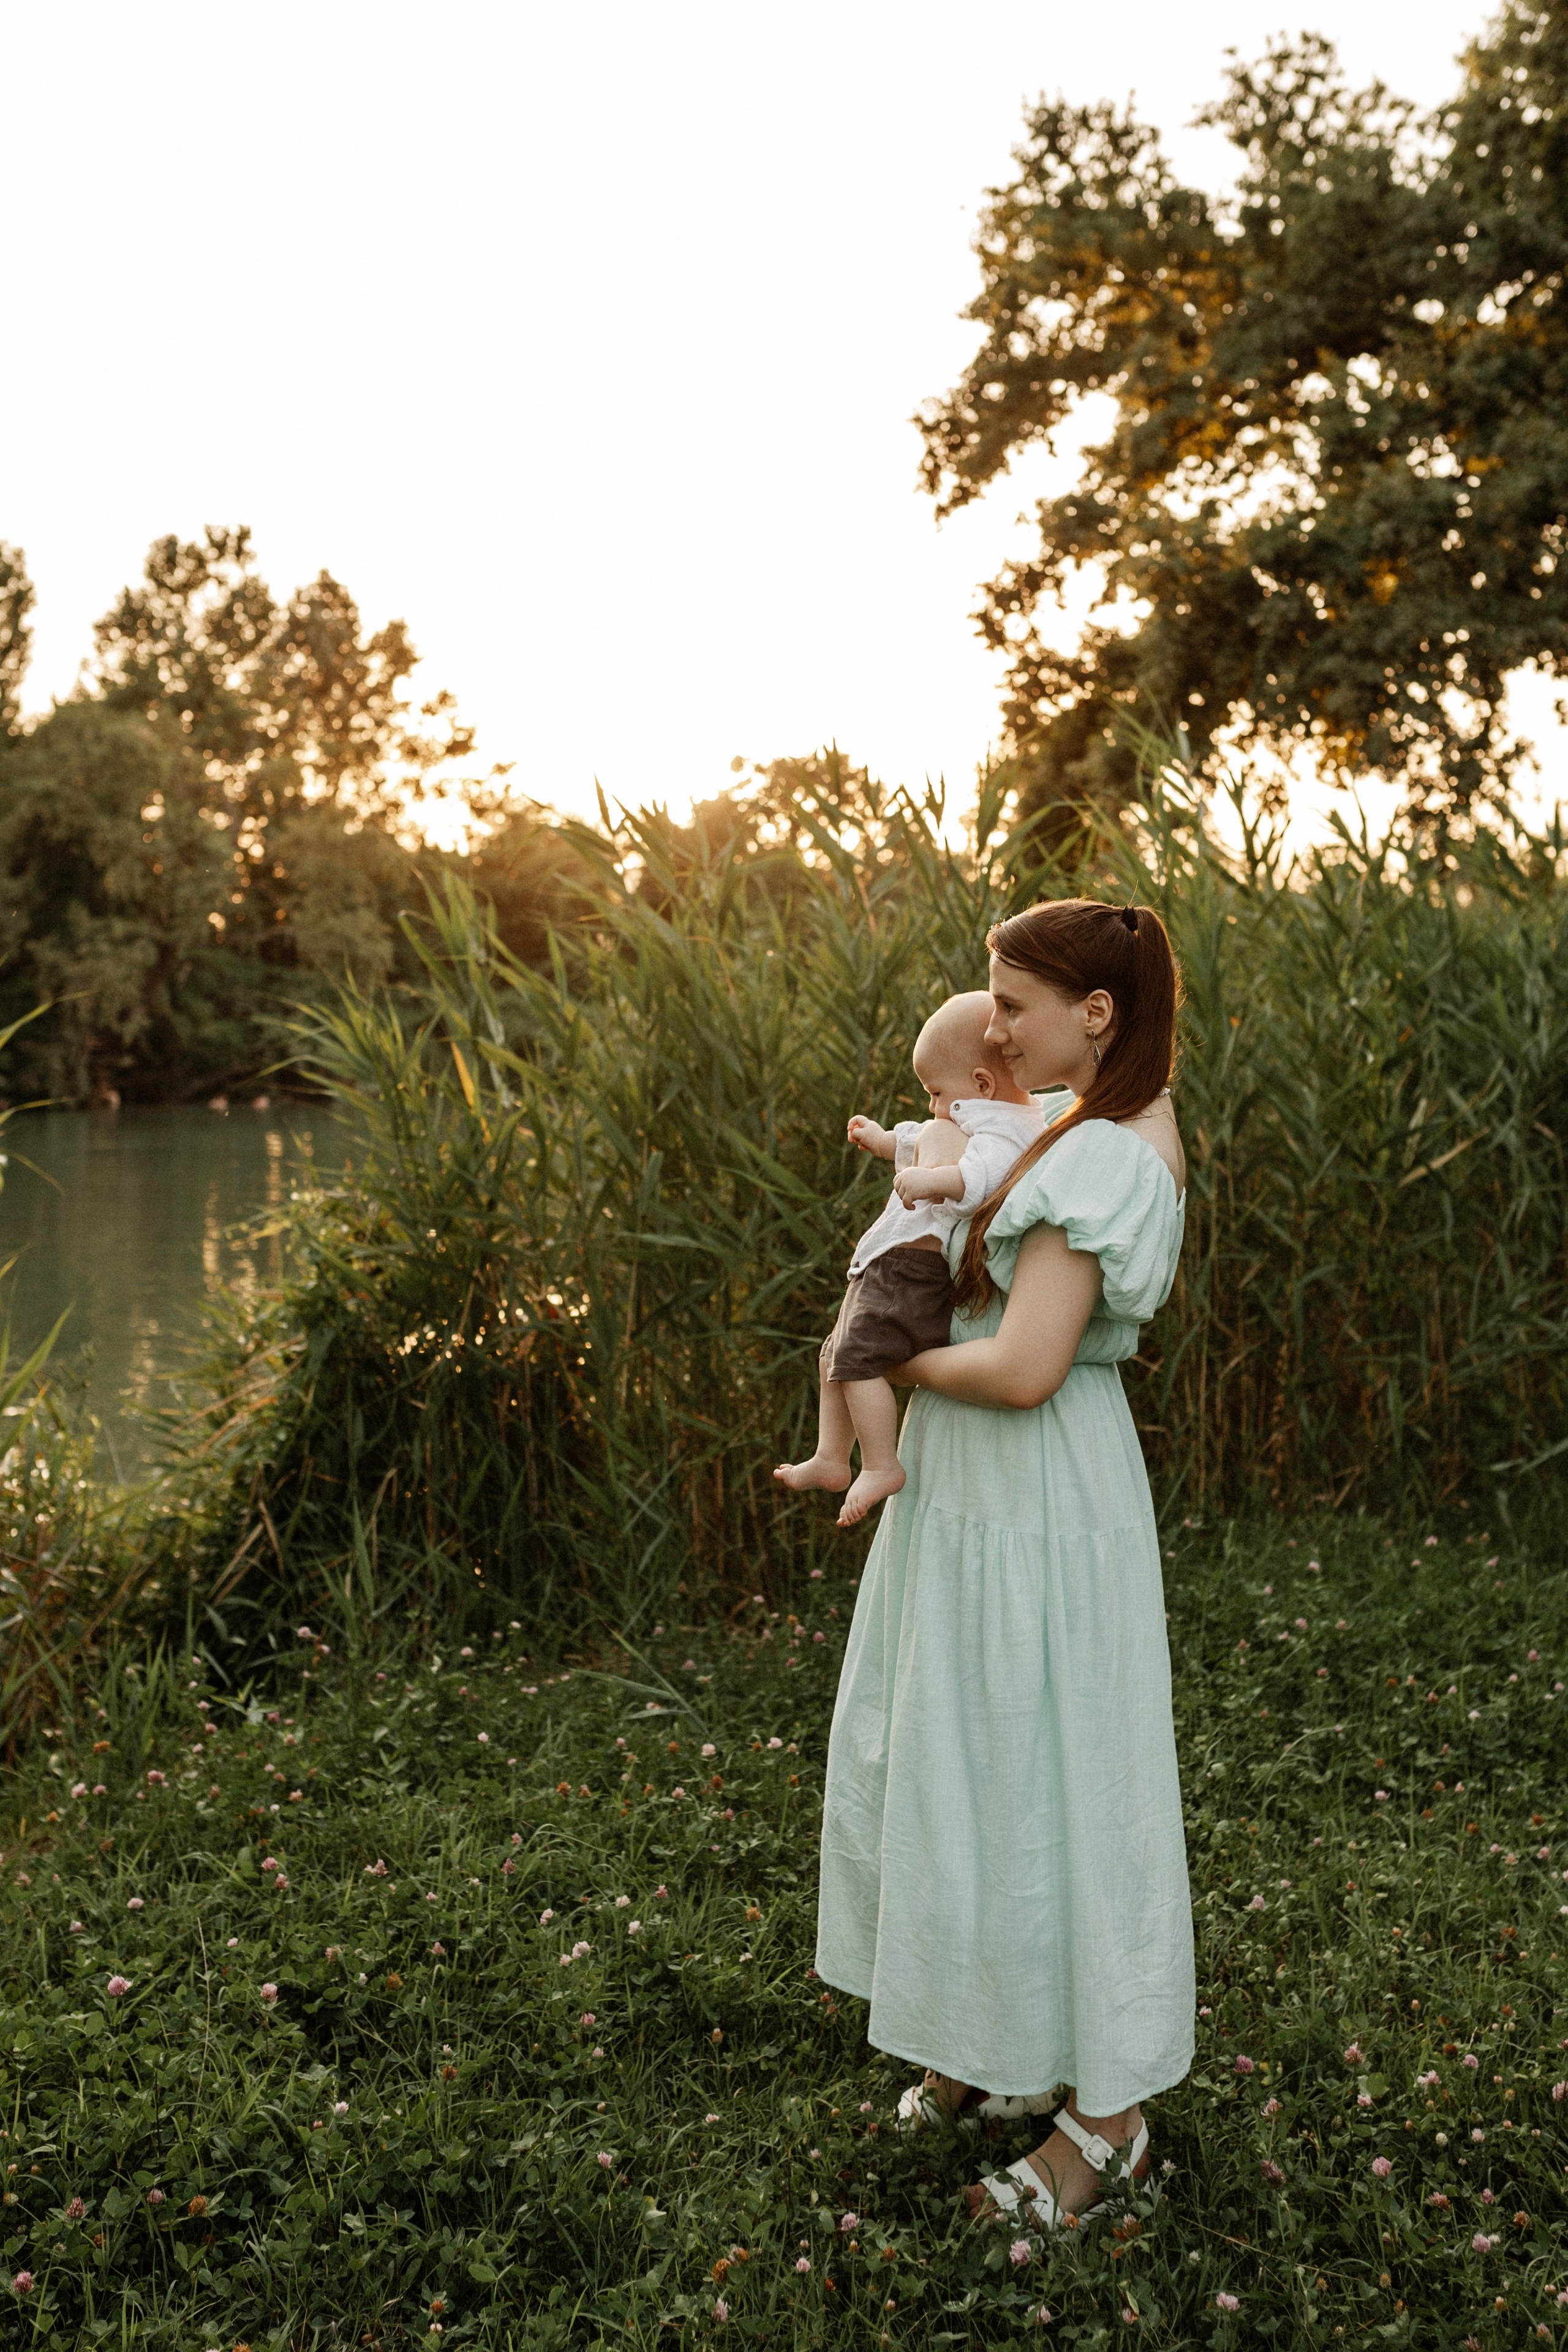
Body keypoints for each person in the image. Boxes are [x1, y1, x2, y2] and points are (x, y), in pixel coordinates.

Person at [813, 897, 1194, 2234]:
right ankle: (993, 2037)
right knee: (974, 1761)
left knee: (1057, 1774)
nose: (992, 1025)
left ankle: (1108, 2123)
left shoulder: (1107, 1160)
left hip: (1036, 1493)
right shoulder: (1057, 1126)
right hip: (972, 1492)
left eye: (1013, 1004)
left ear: (1093, 1015)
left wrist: (876, 1358)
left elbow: (1028, 1367)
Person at [774, 992, 1042, 1528]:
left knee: (859, 1360)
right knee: (835, 1354)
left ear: (981, 1085)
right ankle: (832, 1456)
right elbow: (923, 1135)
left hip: (912, 1269)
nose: (933, 1106)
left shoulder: (1006, 1129)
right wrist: (882, 1140)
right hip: (892, 1265)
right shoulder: (975, 1116)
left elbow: (983, 1176)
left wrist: (933, 1180)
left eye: (936, 1093)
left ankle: (879, 1463)